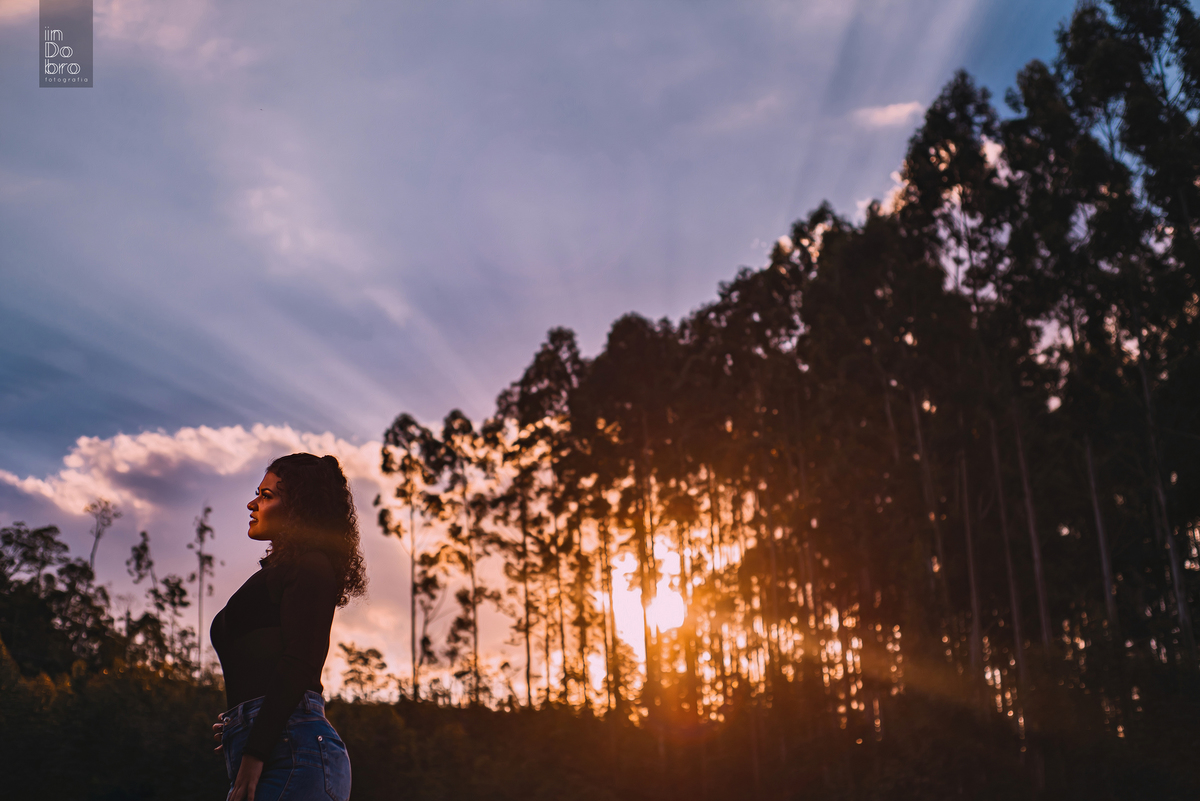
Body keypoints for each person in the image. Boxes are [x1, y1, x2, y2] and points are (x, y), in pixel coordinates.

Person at [210, 453, 367, 801]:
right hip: (276, 746)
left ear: (299, 507)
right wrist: (244, 722)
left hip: (292, 752)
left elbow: (300, 662)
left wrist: (255, 749)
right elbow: (264, 661)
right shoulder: (278, 573)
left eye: (267, 496)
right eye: (258, 493)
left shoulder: (312, 565)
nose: (253, 504)